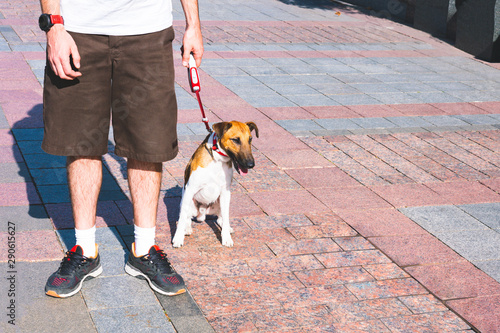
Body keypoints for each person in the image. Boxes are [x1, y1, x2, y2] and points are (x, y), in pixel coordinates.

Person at [39, 0, 203, 298]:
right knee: (81, 141)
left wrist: (193, 25)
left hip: (148, 31)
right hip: (78, 30)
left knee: (148, 142)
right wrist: (55, 25)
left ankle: (144, 250)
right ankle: (85, 251)